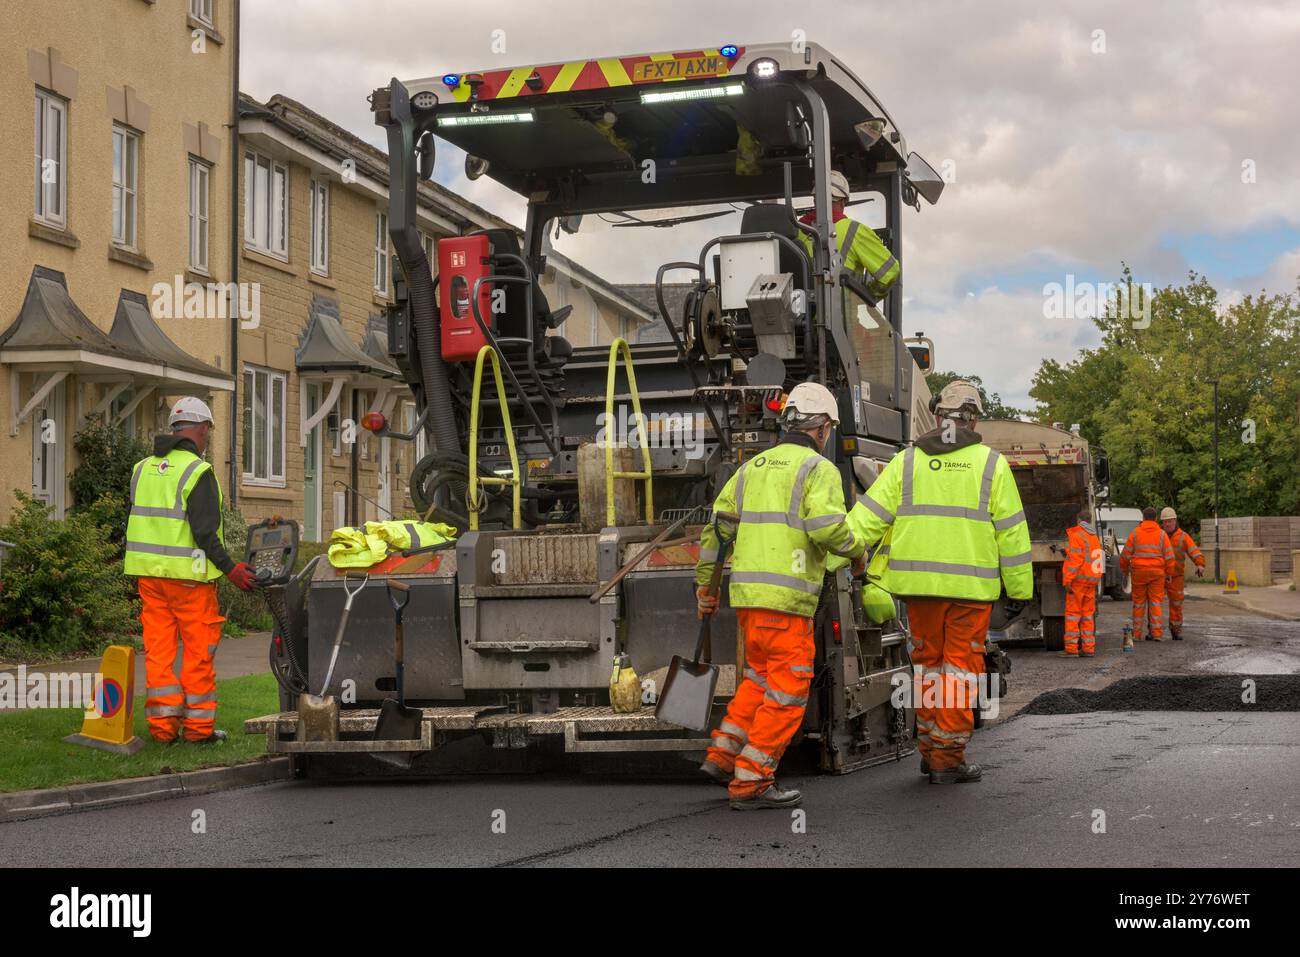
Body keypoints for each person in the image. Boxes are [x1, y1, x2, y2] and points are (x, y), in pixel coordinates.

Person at [843, 380, 1032, 784]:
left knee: (928, 667)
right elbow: (1013, 535)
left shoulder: (907, 461)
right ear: (973, 419)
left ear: (938, 416)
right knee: (961, 669)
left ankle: (930, 749)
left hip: (919, 591)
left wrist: (830, 558)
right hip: (969, 593)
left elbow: (866, 519)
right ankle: (947, 756)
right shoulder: (990, 464)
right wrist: (1019, 591)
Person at [696, 381, 866, 810]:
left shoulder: (752, 468)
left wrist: (707, 587)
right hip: (787, 603)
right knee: (788, 691)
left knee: (759, 679)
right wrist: (858, 552)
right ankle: (752, 781)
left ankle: (723, 756)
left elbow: (717, 531)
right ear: (823, 428)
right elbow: (827, 527)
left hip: (749, 600)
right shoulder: (817, 469)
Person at [124, 397, 257, 743]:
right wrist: (232, 570)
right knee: (197, 655)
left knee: (159, 654)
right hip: (189, 582)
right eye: (208, 431)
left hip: (151, 579)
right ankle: (198, 731)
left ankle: (163, 729)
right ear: (200, 430)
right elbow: (204, 533)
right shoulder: (197, 471)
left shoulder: (142, 469)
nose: (208, 437)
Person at [797, 170, 900, 300]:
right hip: (841, 317)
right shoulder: (855, 231)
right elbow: (890, 272)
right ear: (842, 201)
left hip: (801, 317)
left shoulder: (796, 232)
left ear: (815, 200)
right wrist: (867, 296)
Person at [1119, 507, 1177, 642]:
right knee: (1155, 602)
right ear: (1156, 519)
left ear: (1143, 519)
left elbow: (1125, 555)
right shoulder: (1162, 534)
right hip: (1157, 574)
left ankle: (1136, 634)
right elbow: (1170, 557)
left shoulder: (1135, 534)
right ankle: (1156, 634)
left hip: (1139, 573)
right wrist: (1169, 573)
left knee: (1139, 603)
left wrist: (1125, 570)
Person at [1061, 508, 1103, 657]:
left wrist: (1067, 579)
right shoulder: (1094, 537)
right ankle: (1088, 648)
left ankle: (1071, 649)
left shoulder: (1077, 535)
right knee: (1087, 616)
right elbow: (1097, 561)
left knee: (1073, 615)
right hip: (1091, 583)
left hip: (1078, 582)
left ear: (1079, 520)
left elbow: (1076, 560)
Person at [1160, 506, 1204, 640]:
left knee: (1176, 604)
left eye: (1170, 521)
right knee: (1155, 604)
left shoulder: (1183, 537)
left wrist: (1200, 564)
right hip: (1159, 576)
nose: (1167, 524)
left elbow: (1194, 552)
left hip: (1176, 577)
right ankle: (1154, 631)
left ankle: (1176, 630)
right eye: (1165, 521)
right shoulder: (1158, 535)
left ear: (1175, 521)